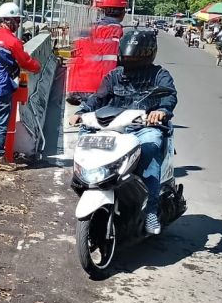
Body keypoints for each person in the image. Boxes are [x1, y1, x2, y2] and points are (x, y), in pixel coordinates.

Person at [71, 29, 177, 235]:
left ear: (148, 55)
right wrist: (82, 111)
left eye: (135, 57)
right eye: (127, 56)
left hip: (145, 127)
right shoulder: (114, 75)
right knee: (84, 136)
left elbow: (169, 98)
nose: (130, 60)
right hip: (114, 126)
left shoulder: (159, 75)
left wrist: (160, 111)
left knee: (151, 147)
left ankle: (151, 211)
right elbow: (98, 98)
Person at [0, 2, 42, 172]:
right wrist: (37, 67)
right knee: (1, 123)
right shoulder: (12, 41)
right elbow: (26, 61)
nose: (18, 25)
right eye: (17, 21)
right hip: (3, 86)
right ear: (9, 21)